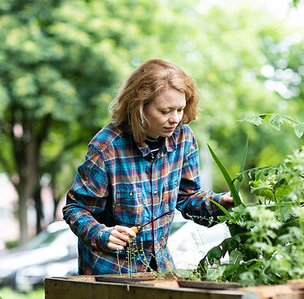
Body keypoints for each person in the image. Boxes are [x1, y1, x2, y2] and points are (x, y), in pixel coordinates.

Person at [63, 58, 234, 275]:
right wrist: (102, 234)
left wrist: (220, 204)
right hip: (109, 272)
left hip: (159, 269)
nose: (175, 119)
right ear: (139, 108)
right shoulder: (107, 146)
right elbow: (75, 209)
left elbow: (188, 197)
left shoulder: (183, 139)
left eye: (180, 109)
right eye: (165, 111)